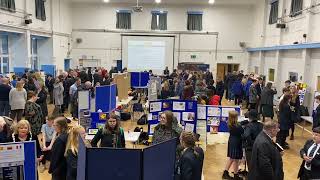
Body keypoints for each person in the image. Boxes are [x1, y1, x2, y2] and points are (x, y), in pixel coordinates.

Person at [222, 111, 244, 180]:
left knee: (233, 158)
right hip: (236, 142)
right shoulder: (237, 126)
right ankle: (229, 173)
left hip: (232, 141)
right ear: (235, 118)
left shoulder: (230, 124)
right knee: (234, 158)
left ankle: (234, 174)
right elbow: (242, 131)